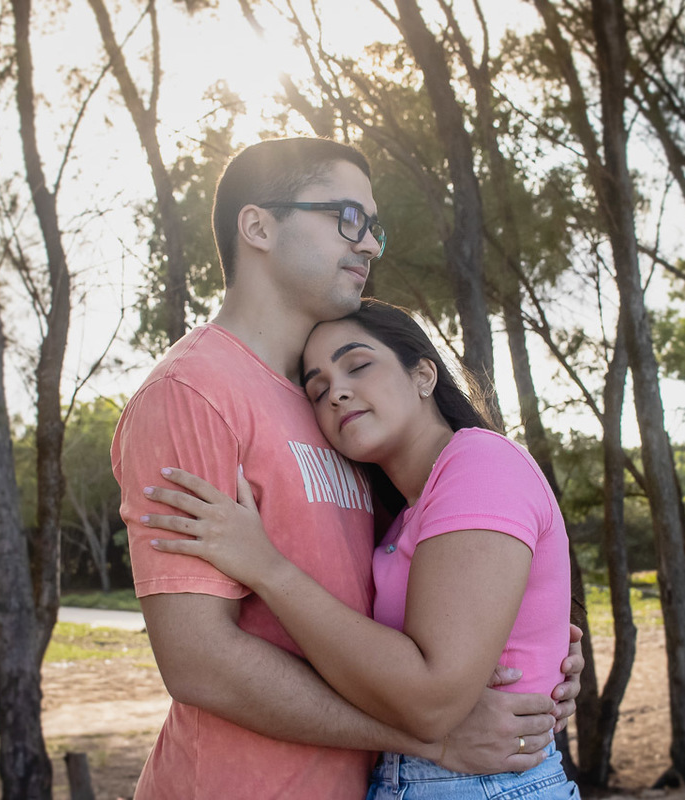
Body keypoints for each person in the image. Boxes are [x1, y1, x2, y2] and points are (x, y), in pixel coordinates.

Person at [111, 137, 582, 800]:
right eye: (346, 218)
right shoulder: (193, 394)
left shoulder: (340, 414)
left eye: (375, 227)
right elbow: (199, 664)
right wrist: (429, 738)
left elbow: (416, 588)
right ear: (259, 226)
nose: (370, 244)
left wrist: (529, 656)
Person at [144, 299, 579, 799]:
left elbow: (432, 702)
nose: (337, 393)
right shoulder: (402, 516)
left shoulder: (479, 463)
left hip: (479, 783)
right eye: (318, 389)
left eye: (358, 365)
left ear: (423, 375)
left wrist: (266, 567)